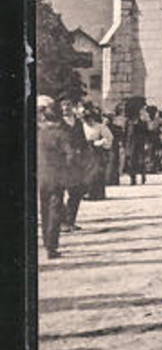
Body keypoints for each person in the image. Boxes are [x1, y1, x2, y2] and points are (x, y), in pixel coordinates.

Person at [37, 97, 73, 259]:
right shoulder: (62, 134)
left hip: (41, 176)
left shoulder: (39, 133)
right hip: (57, 176)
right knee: (55, 211)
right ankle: (52, 246)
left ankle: (46, 242)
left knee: (44, 210)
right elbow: (70, 156)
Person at [59, 97, 90, 230]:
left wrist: (85, 156)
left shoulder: (78, 123)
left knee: (76, 192)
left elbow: (83, 141)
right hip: (62, 163)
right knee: (59, 192)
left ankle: (70, 221)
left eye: (68, 105)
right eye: (63, 106)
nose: (66, 108)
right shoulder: (58, 123)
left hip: (77, 163)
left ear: (72, 107)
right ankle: (62, 222)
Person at [82, 103, 113, 199]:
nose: (88, 121)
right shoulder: (82, 127)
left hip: (96, 152)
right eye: (86, 119)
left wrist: (101, 142)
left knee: (97, 172)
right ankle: (87, 193)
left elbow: (109, 137)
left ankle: (98, 193)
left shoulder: (100, 127)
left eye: (90, 118)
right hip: (85, 151)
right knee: (86, 173)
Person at [125, 105, 149, 185]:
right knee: (131, 161)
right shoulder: (128, 122)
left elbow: (146, 134)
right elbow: (126, 134)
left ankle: (143, 176)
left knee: (141, 161)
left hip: (140, 143)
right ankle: (133, 179)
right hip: (131, 144)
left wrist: (146, 143)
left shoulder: (142, 123)